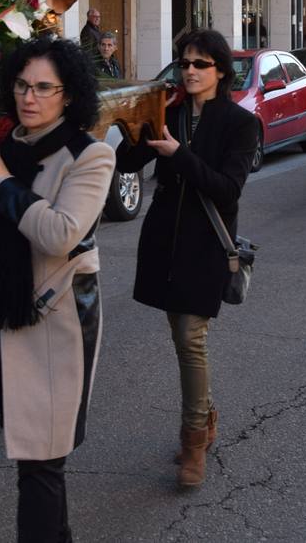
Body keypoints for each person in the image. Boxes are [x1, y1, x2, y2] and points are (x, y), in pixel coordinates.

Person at [0, 36, 114, 540]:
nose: (29, 98)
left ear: (69, 94)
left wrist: (1, 177)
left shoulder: (89, 156)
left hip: (53, 318)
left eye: (43, 88)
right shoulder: (5, 148)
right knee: (32, 461)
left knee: (42, 461)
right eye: (21, 85)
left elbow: (59, 235)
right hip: (1, 315)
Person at [117, 29, 258, 489]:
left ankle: (194, 439)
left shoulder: (239, 123)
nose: (191, 71)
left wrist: (179, 155)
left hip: (207, 244)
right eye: (185, 63)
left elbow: (228, 189)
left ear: (220, 70)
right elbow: (127, 163)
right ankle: (207, 413)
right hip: (165, 241)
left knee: (189, 337)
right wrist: (135, 125)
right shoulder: (169, 113)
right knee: (181, 336)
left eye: (200, 63)